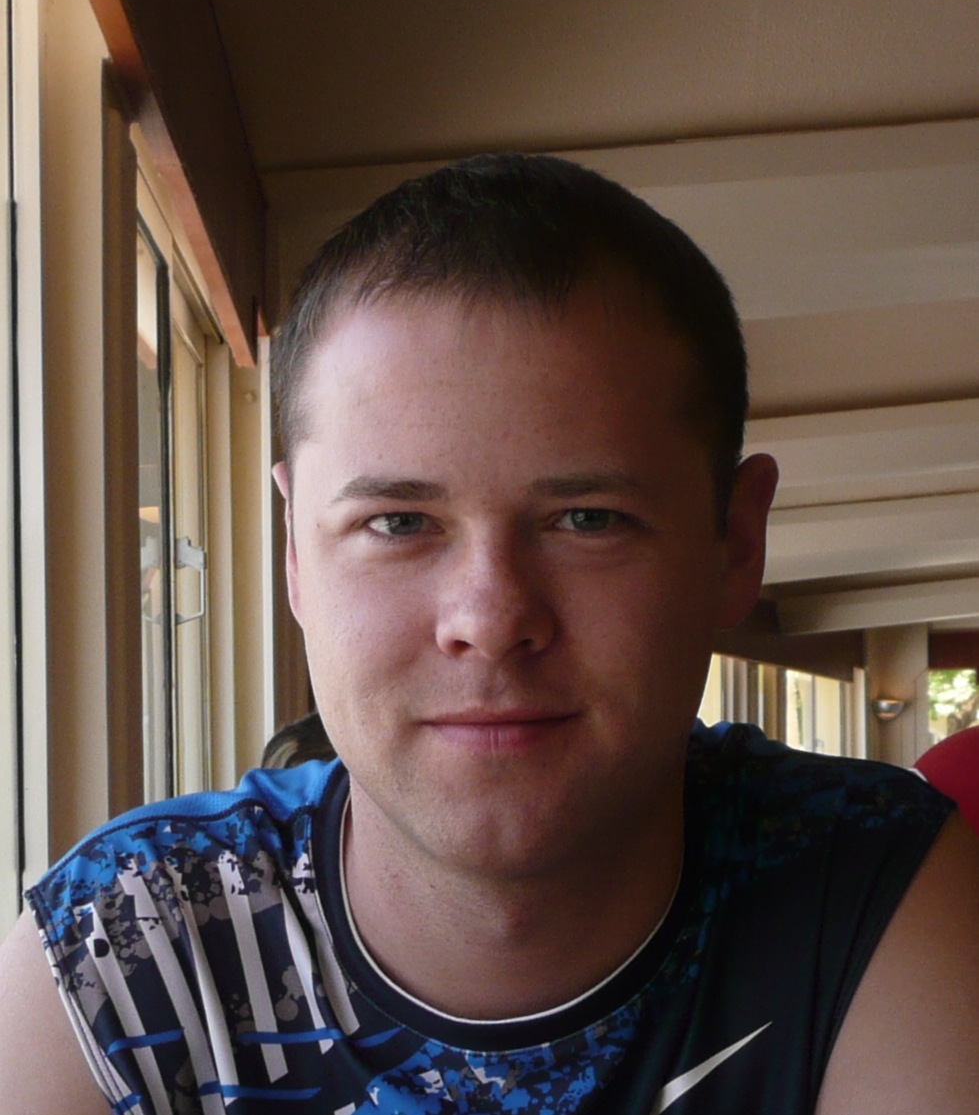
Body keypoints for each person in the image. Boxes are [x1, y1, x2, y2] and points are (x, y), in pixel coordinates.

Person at [1, 153, 977, 1114]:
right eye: (397, 522)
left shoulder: (868, 886)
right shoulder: (121, 950)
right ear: (295, 549)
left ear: (734, 542)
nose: (489, 619)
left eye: (587, 519)